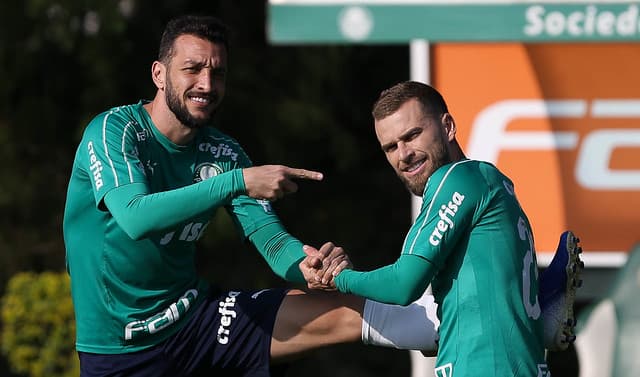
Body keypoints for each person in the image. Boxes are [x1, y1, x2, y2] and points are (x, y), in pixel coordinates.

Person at [62, 14, 580, 377]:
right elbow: (133, 218)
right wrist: (238, 182)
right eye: (192, 69)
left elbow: (269, 239)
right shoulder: (115, 132)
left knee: (344, 310)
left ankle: (525, 319)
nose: (206, 82)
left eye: (217, 71)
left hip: (195, 318)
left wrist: (306, 268)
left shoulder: (224, 152)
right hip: (119, 350)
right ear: (159, 73)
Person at [301, 81, 584, 377]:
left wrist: (339, 278)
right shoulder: (493, 183)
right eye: (390, 147)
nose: (403, 154)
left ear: (447, 126)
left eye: (412, 136)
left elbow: (402, 285)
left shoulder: (456, 180)